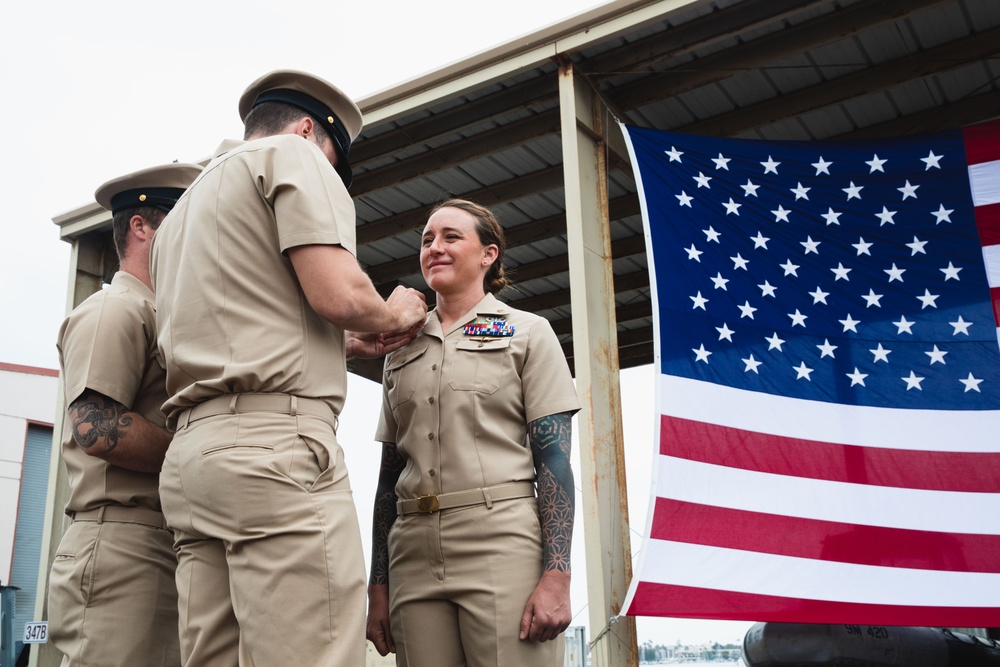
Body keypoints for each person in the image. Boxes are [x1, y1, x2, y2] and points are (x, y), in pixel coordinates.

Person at [149, 69, 427, 667]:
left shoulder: (179, 216)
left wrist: (343, 345)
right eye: (334, 158)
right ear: (309, 129)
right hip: (272, 455)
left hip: (195, 460)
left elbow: (239, 323)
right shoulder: (293, 157)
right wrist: (391, 310)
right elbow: (339, 294)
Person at [366, 199, 581, 666]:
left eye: (450, 237)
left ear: (489, 255)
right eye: (426, 240)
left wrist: (558, 576)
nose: (434, 248)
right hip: (412, 552)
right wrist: (377, 584)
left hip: (500, 543)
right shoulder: (398, 348)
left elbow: (556, 463)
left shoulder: (528, 332)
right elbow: (389, 476)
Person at [48, 161, 202, 666]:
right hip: (121, 543)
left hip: (159, 539)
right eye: (183, 223)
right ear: (141, 226)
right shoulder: (115, 309)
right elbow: (95, 428)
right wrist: (201, 451)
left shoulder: (162, 317)